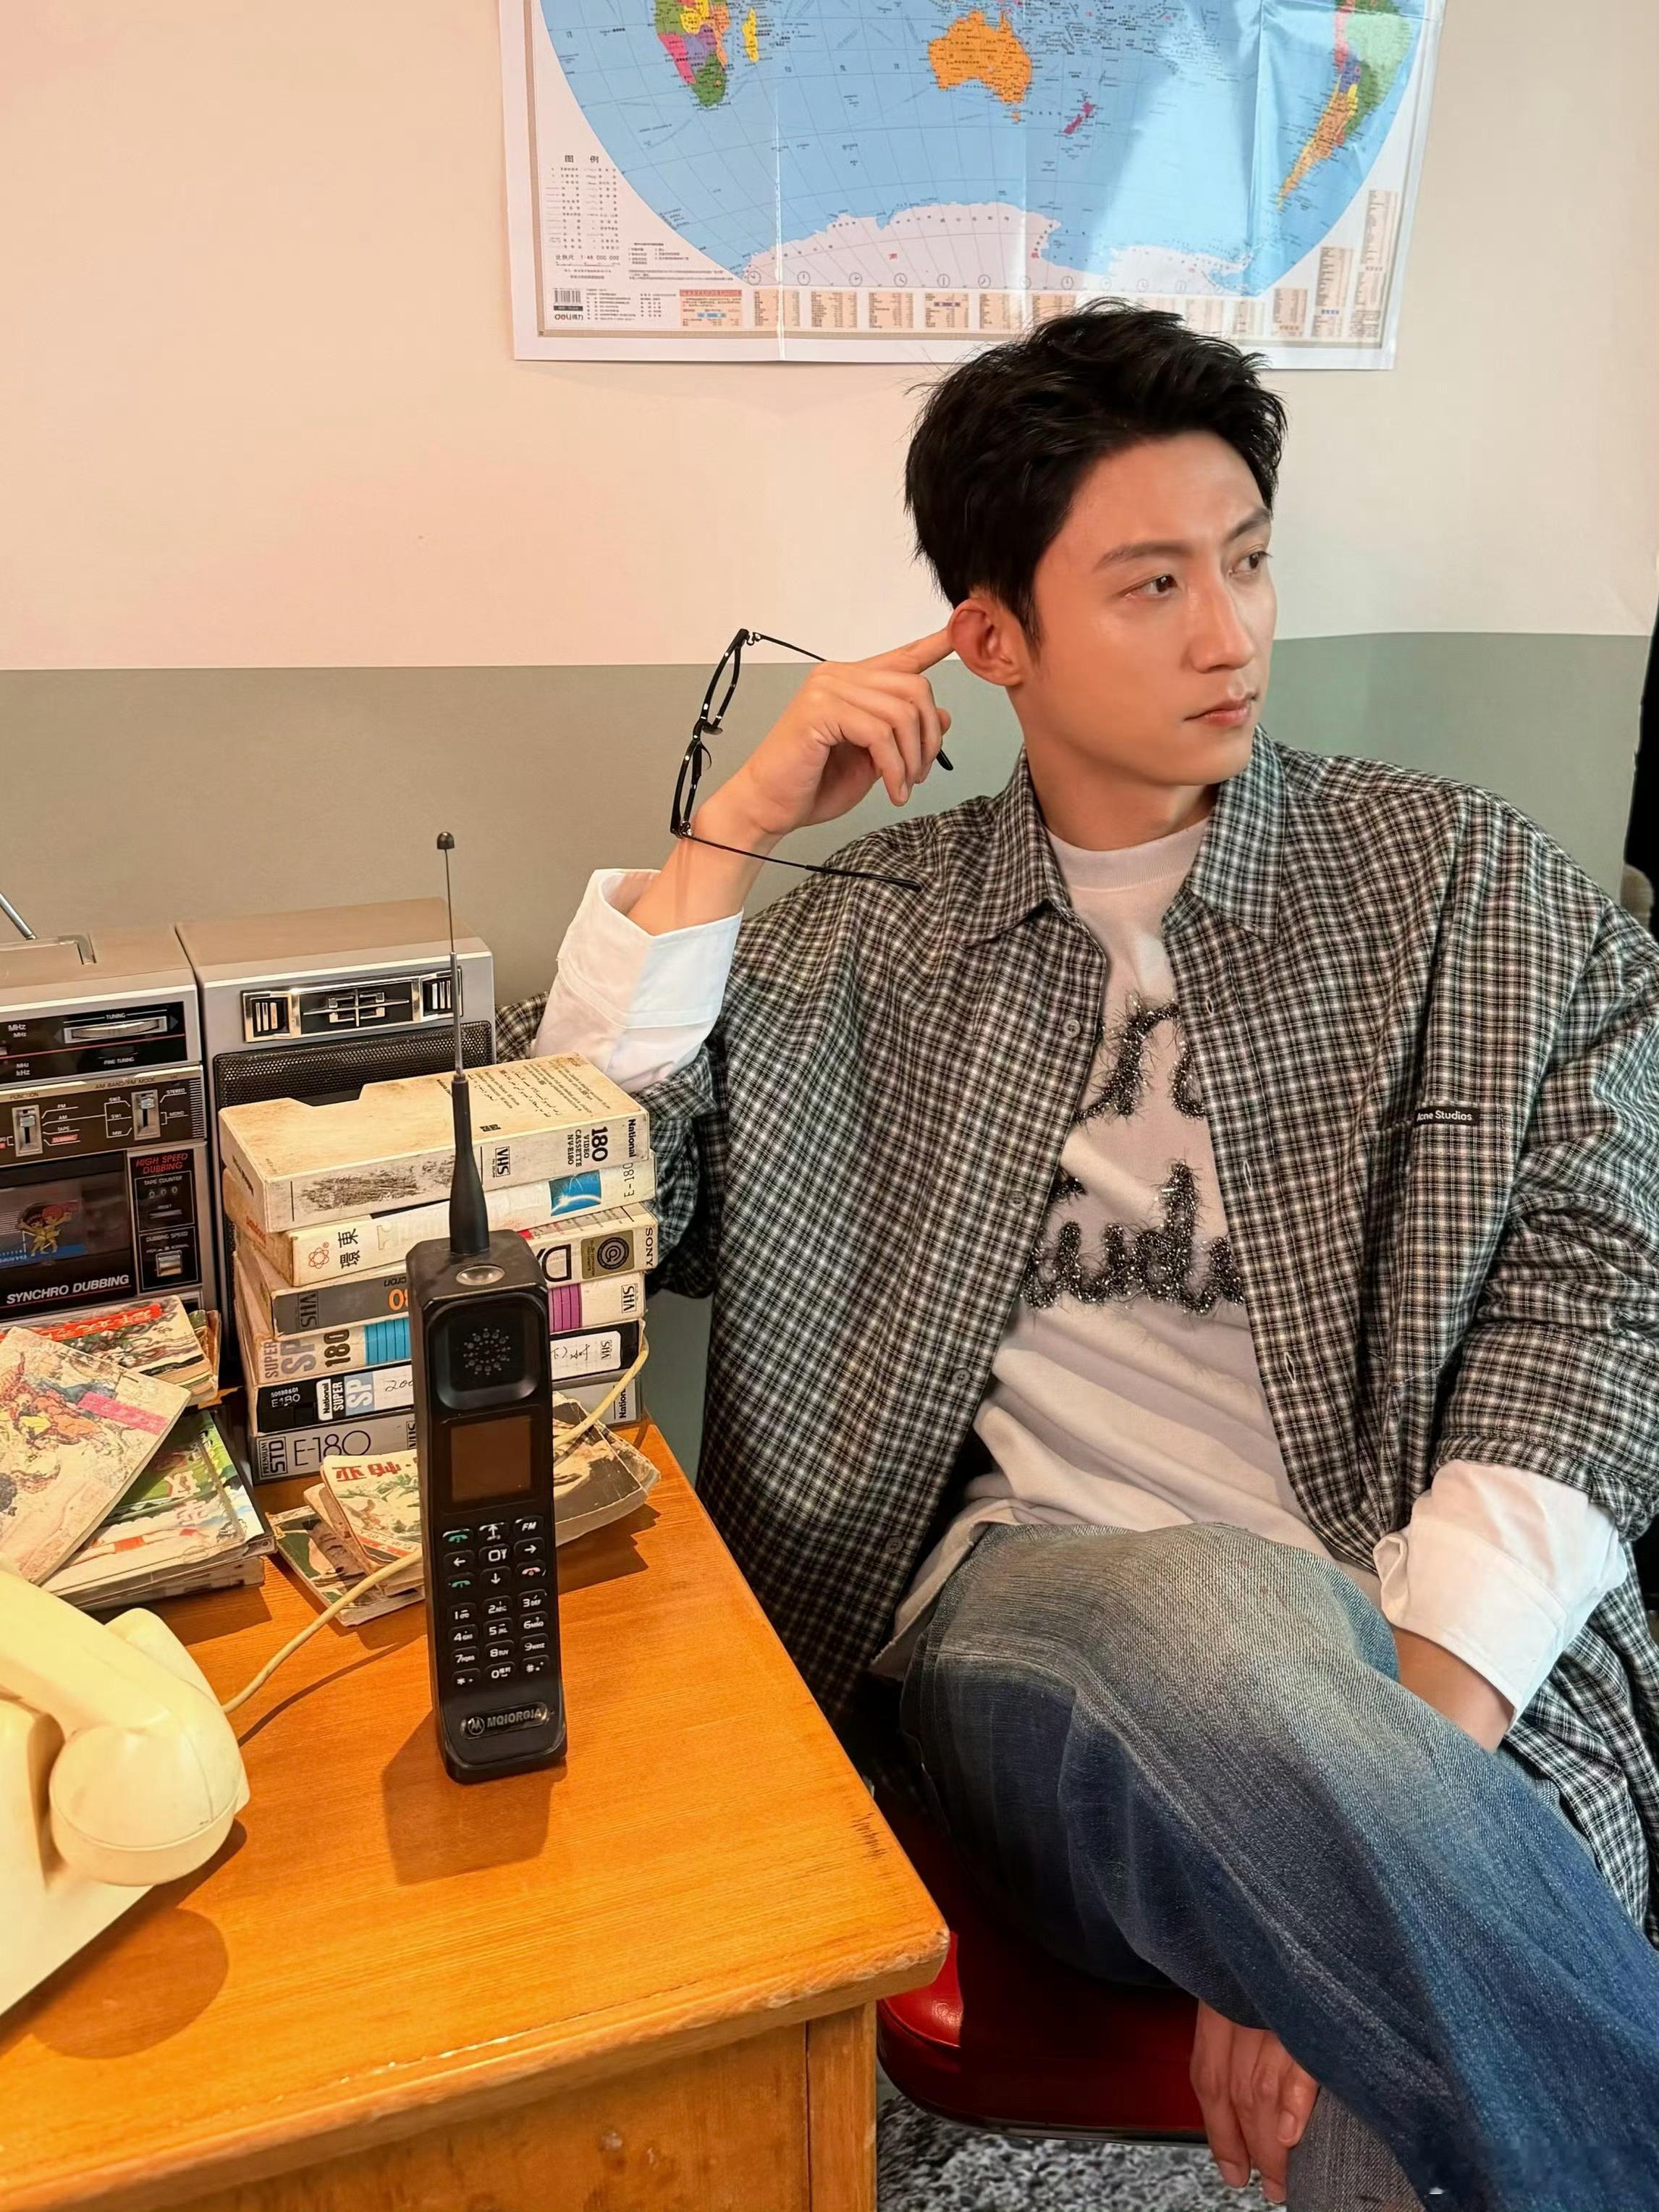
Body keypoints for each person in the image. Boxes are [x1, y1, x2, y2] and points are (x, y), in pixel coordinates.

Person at [520, 305, 1659, 2210]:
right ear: (993, 642)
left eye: (1247, 561)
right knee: (1209, 1624)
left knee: (1392, 2088)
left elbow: (1597, 1308)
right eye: (1150, 585)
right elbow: (574, 1241)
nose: (1230, 635)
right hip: (1049, 1635)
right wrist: (722, 838)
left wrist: (1328, 1859)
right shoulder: (858, 936)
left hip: (1442, 1638)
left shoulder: (1466, 888)